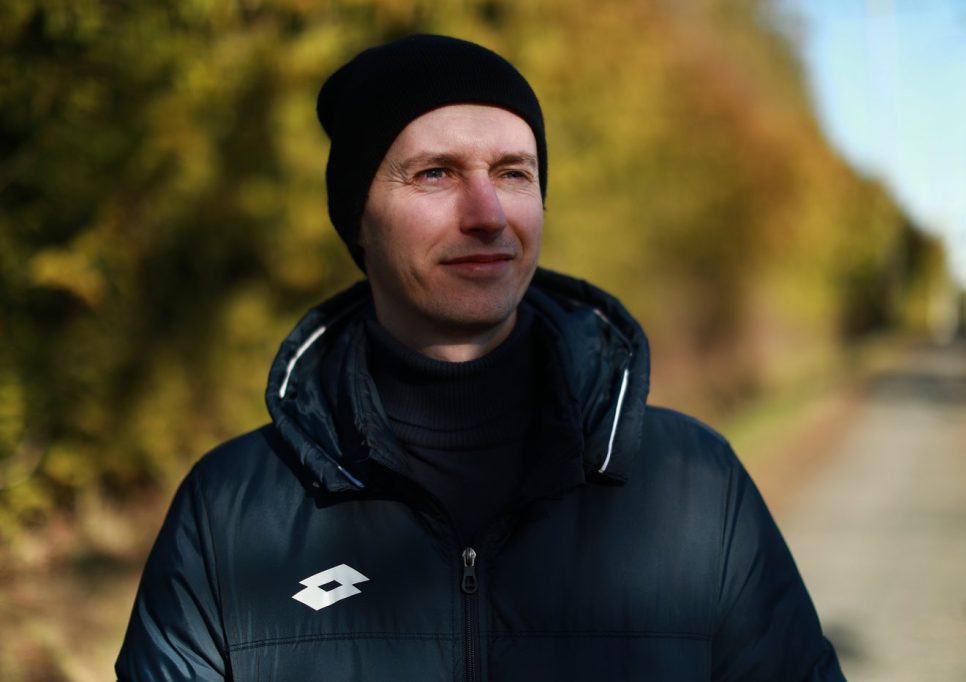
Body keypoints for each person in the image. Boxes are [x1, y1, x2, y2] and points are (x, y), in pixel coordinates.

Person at [116, 34, 845, 681]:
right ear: (358, 220)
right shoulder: (230, 512)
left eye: (513, 173)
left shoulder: (696, 488)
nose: (488, 214)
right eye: (436, 173)